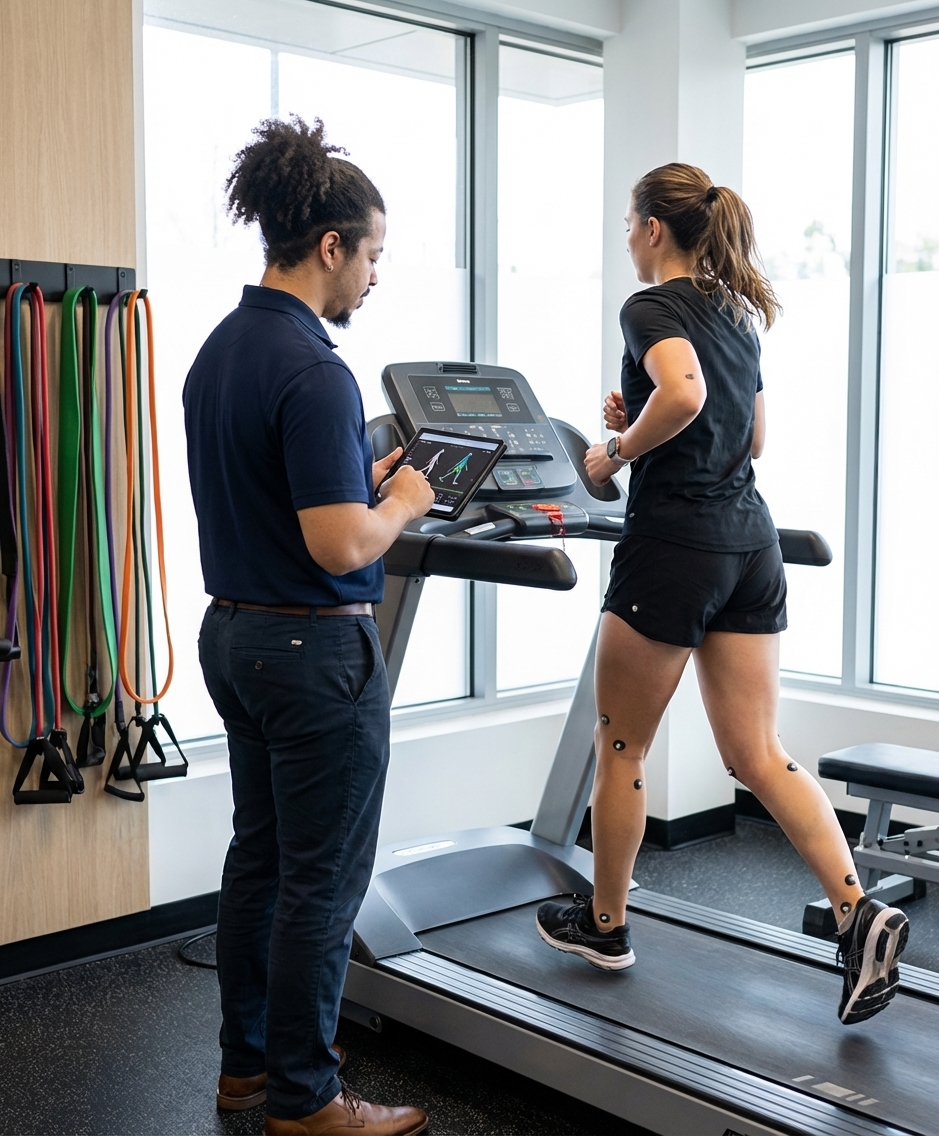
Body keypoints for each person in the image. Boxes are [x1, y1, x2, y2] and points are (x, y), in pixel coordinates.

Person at [535, 162, 909, 1026]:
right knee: (757, 752)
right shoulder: (734, 310)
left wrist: (615, 452)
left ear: (654, 230)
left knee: (619, 745)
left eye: (629, 224)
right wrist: (637, 416)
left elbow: (685, 394)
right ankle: (857, 914)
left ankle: (605, 926)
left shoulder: (650, 307)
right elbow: (751, 435)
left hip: (673, 549)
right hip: (750, 543)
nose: (625, 238)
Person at [183, 116, 434, 1136]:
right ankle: (306, 1096)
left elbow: (285, 499)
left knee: (262, 858)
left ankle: (246, 1068)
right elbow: (340, 548)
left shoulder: (221, 351)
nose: (374, 275)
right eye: (372, 252)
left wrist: (359, 484)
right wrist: (405, 500)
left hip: (233, 638)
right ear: (330, 245)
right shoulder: (318, 368)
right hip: (310, 648)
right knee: (321, 880)